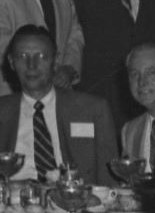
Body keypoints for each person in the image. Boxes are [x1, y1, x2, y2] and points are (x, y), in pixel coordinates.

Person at [2, 26, 108, 181]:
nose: (32, 65)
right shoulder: (2, 111)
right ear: (11, 62)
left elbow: (109, 183)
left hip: (73, 200)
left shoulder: (92, 110)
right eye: (23, 56)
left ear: (56, 60)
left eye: (42, 56)